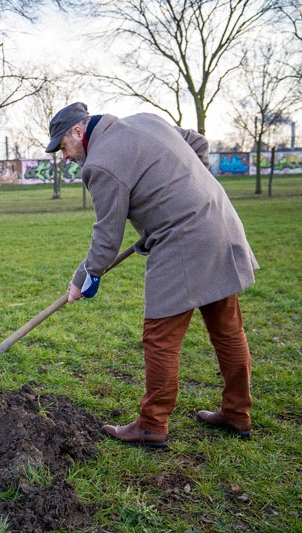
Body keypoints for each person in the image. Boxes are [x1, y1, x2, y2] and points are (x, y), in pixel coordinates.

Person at [46, 102, 258, 447]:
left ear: (78, 132)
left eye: (63, 146)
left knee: (160, 336)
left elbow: (107, 234)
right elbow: (198, 143)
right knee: (227, 328)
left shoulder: (100, 163)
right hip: (219, 222)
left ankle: (152, 425)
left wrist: (84, 277)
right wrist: (187, 196)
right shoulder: (147, 120)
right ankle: (237, 412)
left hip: (184, 242)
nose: (64, 156)